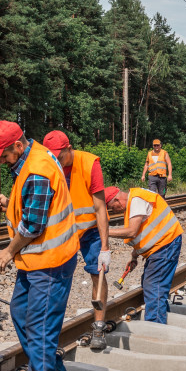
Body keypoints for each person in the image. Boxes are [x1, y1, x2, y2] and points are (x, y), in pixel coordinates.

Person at [0, 120, 79, 371]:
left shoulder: (38, 168)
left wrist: (9, 251)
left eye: (3, 154)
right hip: (36, 260)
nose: (1, 160)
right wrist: (10, 200)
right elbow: (34, 204)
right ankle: (53, 369)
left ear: (18, 145)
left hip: (50, 262)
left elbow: (34, 225)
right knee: (19, 311)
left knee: (39, 326)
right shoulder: (32, 157)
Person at [42, 130, 111, 350]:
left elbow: (100, 208)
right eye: (53, 156)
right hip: (63, 231)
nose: (57, 160)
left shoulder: (90, 163)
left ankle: (99, 326)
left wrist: (105, 247)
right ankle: (49, 332)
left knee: (97, 273)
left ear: (69, 148)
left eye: (60, 156)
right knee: (57, 277)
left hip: (90, 230)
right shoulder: (48, 165)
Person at [106, 186, 182, 324]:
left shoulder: (136, 200)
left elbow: (131, 232)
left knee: (154, 286)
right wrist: (134, 255)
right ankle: (160, 317)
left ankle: (156, 326)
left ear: (117, 200)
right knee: (152, 284)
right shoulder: (135, 200)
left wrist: (104, 231)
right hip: (164, 244)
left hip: (165, 245)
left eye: (112, 207)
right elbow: (147, 228)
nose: (113, 211)